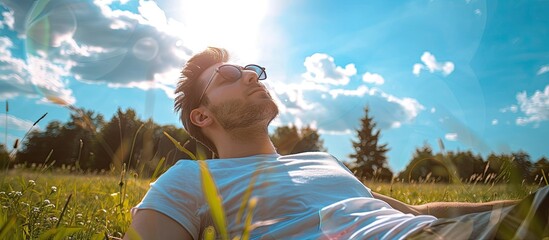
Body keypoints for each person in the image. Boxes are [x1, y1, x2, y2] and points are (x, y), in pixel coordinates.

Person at [125, 47, 548, 240]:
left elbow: (417, 212)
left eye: (251, 70)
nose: (251, 75)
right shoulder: (188, 180)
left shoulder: (322, 161)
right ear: (203, 116)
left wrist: (522, 204)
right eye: (230, 75)